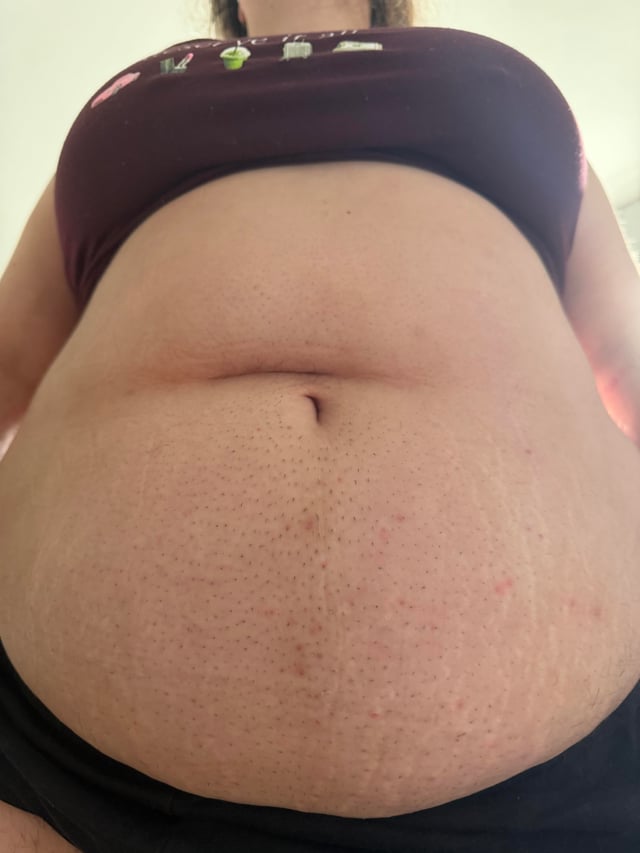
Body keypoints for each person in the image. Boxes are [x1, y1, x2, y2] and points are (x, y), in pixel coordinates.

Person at [0, 1, 639, 850]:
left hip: (580, 756)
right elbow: (9, 363)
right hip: (56, 760)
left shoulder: (510, 85)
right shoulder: (128, 97)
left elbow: (627, 356)